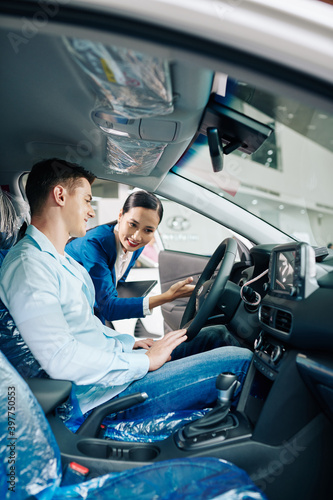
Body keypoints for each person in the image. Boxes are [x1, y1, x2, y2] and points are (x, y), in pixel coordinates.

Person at [0, 158, 252, 421]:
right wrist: (145, 361)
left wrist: (130, 344)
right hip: (102, 396)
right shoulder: (29, 266)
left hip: (113, 370)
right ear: (60, 196)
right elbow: (61, 358)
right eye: (87, 199)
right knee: (240, 362)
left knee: (217, 335)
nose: (91, 211)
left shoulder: (60, 260)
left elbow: (87, 325)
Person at [66, 190, 194, 325]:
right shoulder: (95, 243)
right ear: (120, 215)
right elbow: (106, 307)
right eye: (132, 225)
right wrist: (167, 297)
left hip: (88, 317)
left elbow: (112, 292)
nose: (137, 237)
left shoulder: (134, 245)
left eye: (148, 230)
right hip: (69, 317)